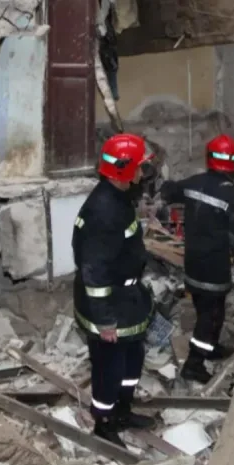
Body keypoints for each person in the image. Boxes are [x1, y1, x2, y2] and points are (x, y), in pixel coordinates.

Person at [72, 133, 158, 448]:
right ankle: (104, 422)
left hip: (126, 298)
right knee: (109, 366)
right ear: (124, 170)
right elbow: (94, 271)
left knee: (132, 358)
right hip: (108, 304)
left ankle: (122, 410)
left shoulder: (118, 198)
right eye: (139, 167)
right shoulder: (104, 212)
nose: (142, 172)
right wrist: (105, 320)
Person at [159, 134, 234, 384]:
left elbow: (170, 191)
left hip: (192, 262)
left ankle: (210, 347)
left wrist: (160, 179)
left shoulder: (194, 183)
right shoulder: (233, 197)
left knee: (210, 309)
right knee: (210, 315)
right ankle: (194, 363)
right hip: (215, 267)